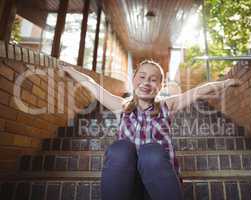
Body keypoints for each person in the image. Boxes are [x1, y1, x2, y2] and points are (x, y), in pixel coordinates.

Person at [60, 60, 240, 200]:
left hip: (159, 183)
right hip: (127, 185)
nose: (147, 82)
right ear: (133, 79)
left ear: (160, 87)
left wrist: (226, 83)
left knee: (151, 151)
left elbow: (200, 91)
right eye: (142, 77)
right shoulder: (121, 106)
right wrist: (70, 70)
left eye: (154, 80)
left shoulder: (168, 105)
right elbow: (92, 85)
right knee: (120, 148)